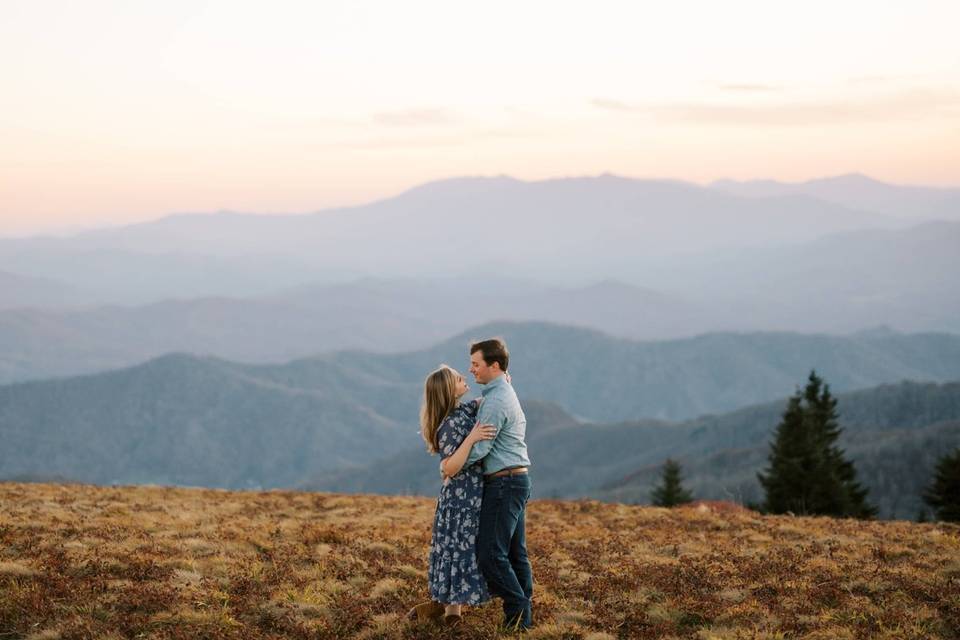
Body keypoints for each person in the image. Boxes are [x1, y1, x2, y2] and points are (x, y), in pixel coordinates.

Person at [407, 365, 496, 625]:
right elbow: (452, 466)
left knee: (461, 550)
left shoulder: (463, 410)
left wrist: (500, 383)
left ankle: (446, 609)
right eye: (459, 378)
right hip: (460, 499)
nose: (464, 378)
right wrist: (472, 438)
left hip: (471, 495)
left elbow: (484, 400)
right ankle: (451, 613)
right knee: (456, 550)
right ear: (449, 389)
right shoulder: (446, 426)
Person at [463, 338, 534, 631]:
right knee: (516, 553)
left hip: (503, 483)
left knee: (490, 554)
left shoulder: (496, 400)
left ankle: (518, 610)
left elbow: (480, 450)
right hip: (516, 479)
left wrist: (452, 463)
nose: (471, 370)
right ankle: (522, 622)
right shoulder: (503, 389)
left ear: (494, 366)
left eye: (476, 364)